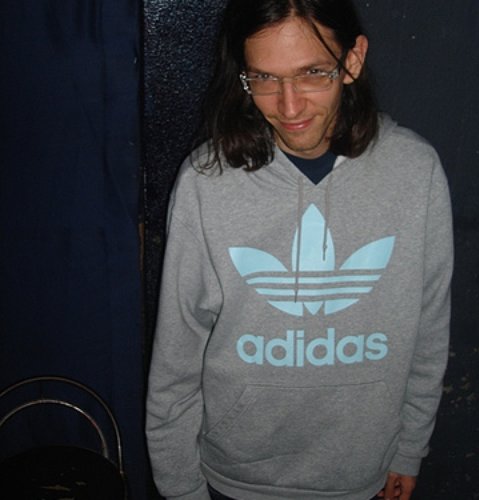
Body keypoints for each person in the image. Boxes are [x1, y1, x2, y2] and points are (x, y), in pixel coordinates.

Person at [146, 1, 453, 499]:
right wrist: (180, 488)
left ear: (353, 60)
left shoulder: (415, 172)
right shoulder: (206, 182)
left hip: (363, 474)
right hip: (233, 479)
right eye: (264, 78)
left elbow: (429, 330)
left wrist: (409, 447)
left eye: (312, 73)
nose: (289, 108)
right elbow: (175, 359)